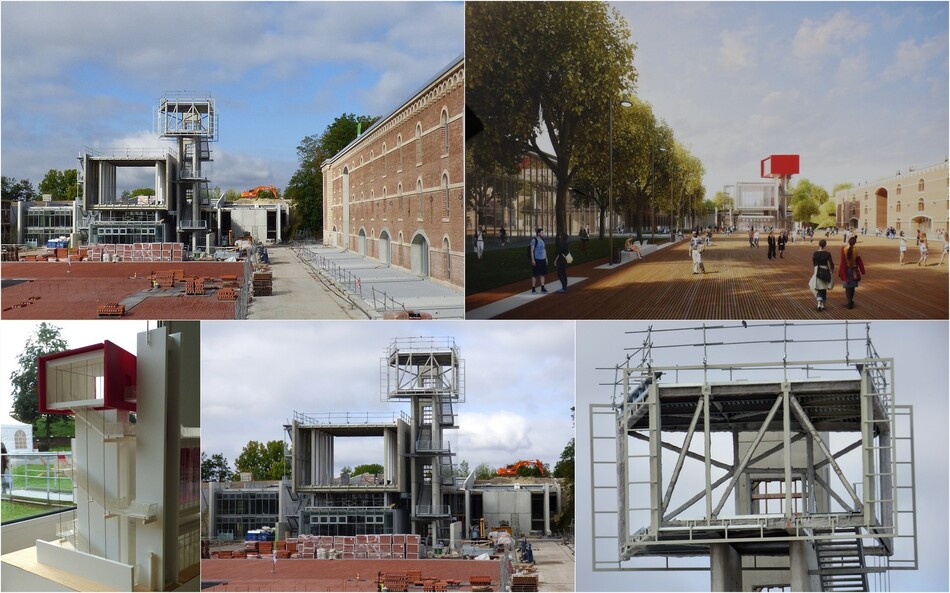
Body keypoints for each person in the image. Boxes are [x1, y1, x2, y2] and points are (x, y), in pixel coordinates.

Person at [838, 235, 864, 309]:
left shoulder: (844, 249)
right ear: (855, 243)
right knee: (852, 287)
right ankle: (851, 301)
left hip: (847, 269)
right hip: (854, 269)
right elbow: (858, 259)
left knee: (847, 287)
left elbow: (842, 261)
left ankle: (849, 302)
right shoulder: (856, 249)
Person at [809, 239, 835, 311]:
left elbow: (814, 263)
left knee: (817, 286)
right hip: (825, 270)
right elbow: (831, 263)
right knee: (824, 287)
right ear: (825, 245)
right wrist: (832, 270)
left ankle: (819, 301)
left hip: (817, 270)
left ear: (819, 244)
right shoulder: (827, 253)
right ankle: (823, 303)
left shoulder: (815, 253)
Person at [530, 227, 548, 293]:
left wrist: (546, 258)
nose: (543, 234)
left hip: (543, 259)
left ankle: (542, 288)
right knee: (535, 274)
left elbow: (544, 249)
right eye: (542, 233)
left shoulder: (543, 240)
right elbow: (531, 251)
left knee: (542, 274)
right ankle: (533, 288)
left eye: (543, 232)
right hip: (537, 260)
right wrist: (533, 260)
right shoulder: (534, 240)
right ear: (538, 233)